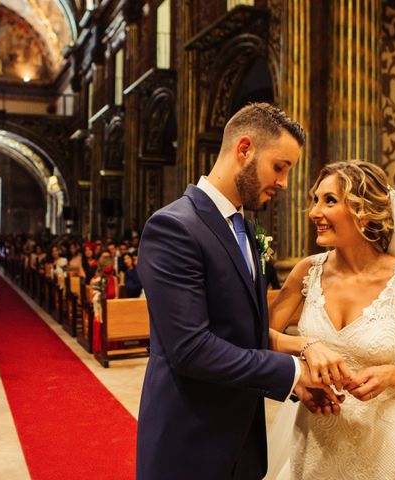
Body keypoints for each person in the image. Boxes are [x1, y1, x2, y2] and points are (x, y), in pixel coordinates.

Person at [135, 103, 338, 479]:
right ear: (244, 149)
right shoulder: (173, 227)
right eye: (280, 167)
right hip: (189, 441)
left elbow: (244, 332)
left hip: (241, 443)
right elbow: (191, 349)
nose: (284, 183)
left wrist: (301, 361)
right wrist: (294, 372)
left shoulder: (245, 228)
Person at [268, 160, 395, 479]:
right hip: (317, 437)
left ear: (365, 211)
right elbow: (258, 336)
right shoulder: (307, 272)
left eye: (329, 200)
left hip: (383, 441)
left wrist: (390, 375)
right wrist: (302, 355)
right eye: (315, 200)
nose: (314, 212)